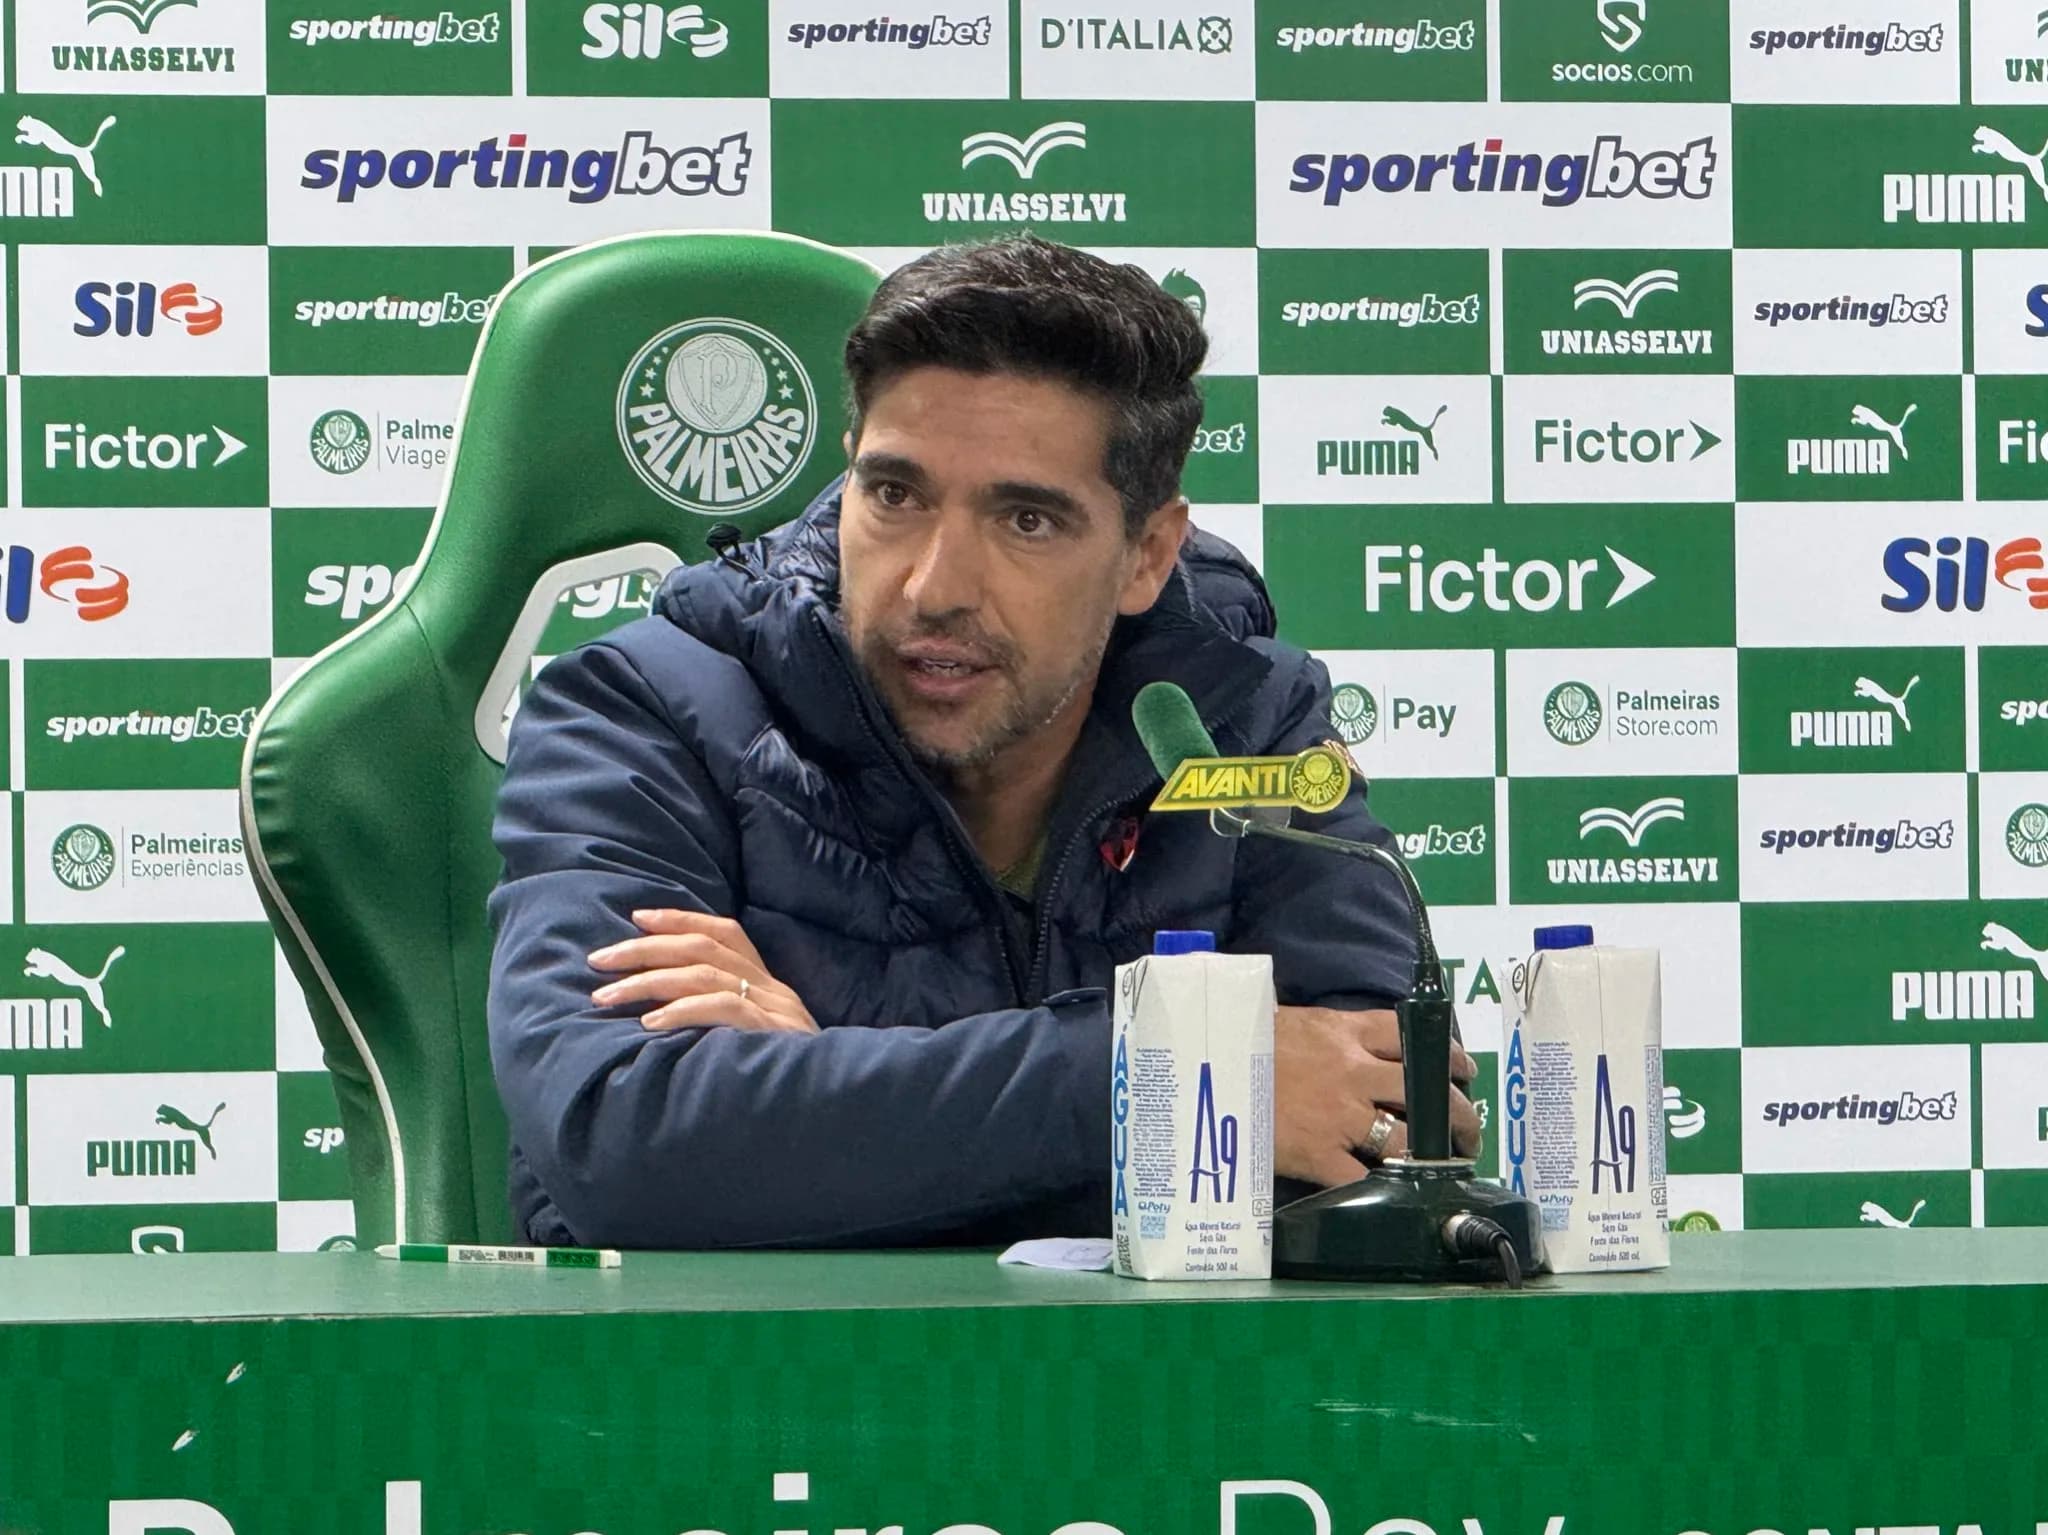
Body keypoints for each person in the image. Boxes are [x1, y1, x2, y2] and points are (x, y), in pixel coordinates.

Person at [485, 233, 1481, 1249]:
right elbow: (619, 1148)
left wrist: (825, 1103)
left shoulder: (1244, 720)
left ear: (1145, 554)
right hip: (756, 1392)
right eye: (895, 496)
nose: (933, 587)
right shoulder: (642, 709)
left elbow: (1390, 1139)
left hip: (1163, 1395)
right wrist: (1173, 1078)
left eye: (1026, 521)